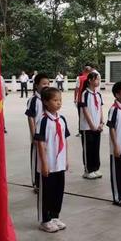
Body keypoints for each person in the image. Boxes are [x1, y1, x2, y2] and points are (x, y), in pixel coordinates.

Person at [35, 87, 70, 232]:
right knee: (46, 192)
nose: (58, 103)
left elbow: (65, 140)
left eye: (60, 100)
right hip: (48, 163)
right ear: (46, 102)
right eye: (55, 100)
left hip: (59, 163)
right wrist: (43, 163)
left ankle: (55, 215)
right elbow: (40, 143)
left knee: (58, 190)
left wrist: (66, 159)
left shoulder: (61, 119)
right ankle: (45, 219)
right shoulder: (43, 121)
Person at [25, 73, 50, 192]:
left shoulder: (48, 100)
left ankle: (45, 180)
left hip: (47, 136)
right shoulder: (33, 100)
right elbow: (30, 118)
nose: (46, 86)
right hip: (37, 137)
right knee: (37, 158)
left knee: (45, 158)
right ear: (36, 85)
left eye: (48, 84)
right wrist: (34, 134)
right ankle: (36, 183)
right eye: (44, 84)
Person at [78, 72, 104, 179]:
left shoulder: (98, 94)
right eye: (96, 79)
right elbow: (85, 110)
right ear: (90, 80)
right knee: (88, 148)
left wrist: (102, 122)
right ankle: (88, 170)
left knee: (95, 148)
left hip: (97, 127)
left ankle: (95, 168)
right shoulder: (85, 94)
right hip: (87, 127)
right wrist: (92, 125)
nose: (98, 81)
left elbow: (100, 109)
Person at [74, 65, 92, 136]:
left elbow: (76, 89)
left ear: (84, 70)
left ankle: (81, 132)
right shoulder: (92, 78)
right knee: (90, 114)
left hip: (81, 100)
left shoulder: (79, 78)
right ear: (90, 71)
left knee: (81, 115)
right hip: (90, 99)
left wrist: (75, 98)